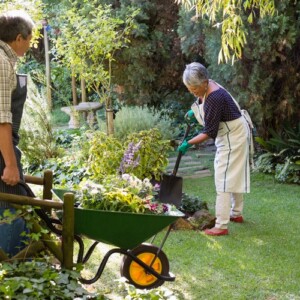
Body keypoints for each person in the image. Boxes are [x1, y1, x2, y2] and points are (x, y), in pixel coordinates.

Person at [178, 62, 253, 236]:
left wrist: (188, 143)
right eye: (189, 89)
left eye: (194, 89)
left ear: (204, 82)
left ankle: (221, 225)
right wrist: (194, 111)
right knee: (234, 175)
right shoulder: (209, 86)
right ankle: (236, 214)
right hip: (234, 132)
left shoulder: (214, 97)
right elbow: (203, 100)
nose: (192, 92)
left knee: (223, 179)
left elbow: (209, 132)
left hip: (232, 137)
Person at [0, 10, 34, 255]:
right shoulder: (1, 62)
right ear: (19, 38)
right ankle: (13, 273)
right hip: (2, 148)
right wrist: (10, 165)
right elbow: (1, 121)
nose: (30, 45)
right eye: (30, 40)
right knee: (12, 206)